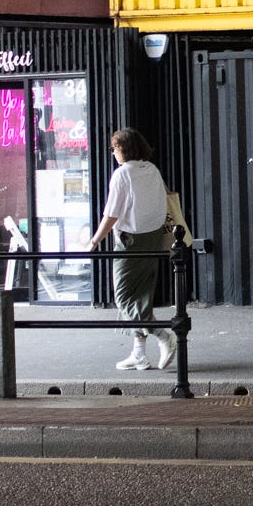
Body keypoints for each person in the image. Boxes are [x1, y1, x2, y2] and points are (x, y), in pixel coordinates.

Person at [86, 127, 173, 372]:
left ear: (124, 148)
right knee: (141, 297)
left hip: (130, 240)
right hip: (154, 238)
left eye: (115, 148)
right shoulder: (152, 170)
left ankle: (163, 335)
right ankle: (139, 354)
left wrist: (94, 242)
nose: (113, 152)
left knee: (124, 297)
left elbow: (111, 214)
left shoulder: (122, 174)